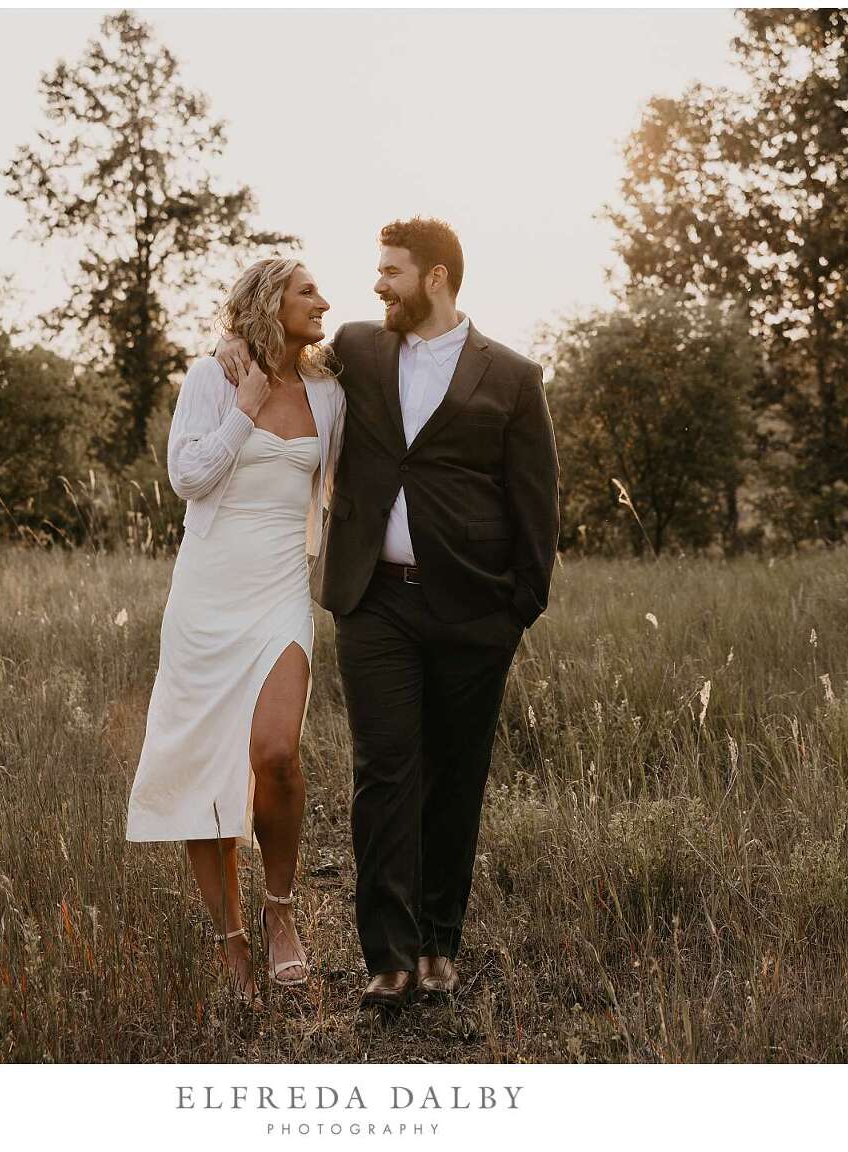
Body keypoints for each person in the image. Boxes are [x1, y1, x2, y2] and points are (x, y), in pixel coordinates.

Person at [217, 218, 559, 1011]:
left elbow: (537, 502)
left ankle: (439, 944)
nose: (377, 285)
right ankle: (390, 958)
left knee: (456, 778)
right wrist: (234, 347)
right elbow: (282, 356)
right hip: (373, 602)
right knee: (384, 775)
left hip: (475, 609)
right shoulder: (360, 349)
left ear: (435, 278)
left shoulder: (513, 376)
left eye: (392, 272)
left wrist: (518, 608)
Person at [127, 258, 345, 1002]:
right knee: (204, 768)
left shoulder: (329, 394)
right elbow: (188, 478)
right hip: (207, 596)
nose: (323, 301)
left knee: (275, 752)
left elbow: (342, 485)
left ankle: (280, 910)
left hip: (280, 591)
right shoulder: (211, 379)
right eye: (307, 291)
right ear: (269, 302)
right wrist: (244, 408)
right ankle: (231, 943)